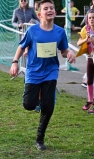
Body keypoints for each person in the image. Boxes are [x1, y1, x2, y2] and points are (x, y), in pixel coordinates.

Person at [10, 0, 76, 150]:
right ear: (39, 14)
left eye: (51, 8)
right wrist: (14, 62)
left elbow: (64, 51)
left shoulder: (60, 32)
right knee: (29, 105)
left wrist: (69, 53)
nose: (49, 10)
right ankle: (38, 98)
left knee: (48, 107)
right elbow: (22, 47)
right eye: (46, 8)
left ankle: (40, 139)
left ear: (55, 12)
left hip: (50, 72)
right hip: (33, 72)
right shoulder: (33, 31)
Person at [77, 9, 94, 112]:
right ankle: (90, 100)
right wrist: (86, 39)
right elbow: (79, 43)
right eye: (90, 18)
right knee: (89, 80)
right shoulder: (85, 29)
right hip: (90, 57)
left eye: (93, 17)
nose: (92, 19)